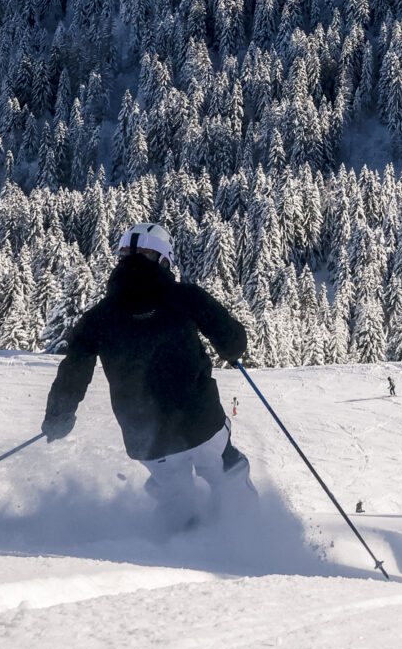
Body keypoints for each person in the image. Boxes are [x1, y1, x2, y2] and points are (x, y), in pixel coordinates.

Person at [41, 223, 253, 533]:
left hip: (146, 440)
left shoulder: (99, 317)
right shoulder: (185, 297)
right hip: (200, 424)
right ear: (164, 260)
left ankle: (181, 544)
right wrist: (230, 352)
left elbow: (74, 370)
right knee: (227, 468)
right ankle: (249, 530)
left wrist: (58, 417)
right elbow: (233, 343)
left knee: (174, 493)